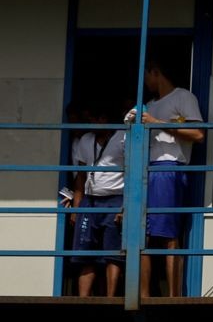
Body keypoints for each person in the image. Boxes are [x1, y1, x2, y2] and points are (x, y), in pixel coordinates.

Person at [131, 55, 205, 297]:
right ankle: (143, 294)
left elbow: (197, 134)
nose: (145, 81)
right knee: (143, 235)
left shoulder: (183, 96)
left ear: (155, 72)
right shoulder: (149, 105)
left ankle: (174, 296)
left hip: (168, 168)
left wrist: (156, 122)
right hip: (146, 170)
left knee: (168, 234)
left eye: (146, 75)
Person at [70, 100, 126, 297]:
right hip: (90, 200)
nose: (90, 123)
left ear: (104, 119)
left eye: (93, 119)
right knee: (85, 254)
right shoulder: (86, 139)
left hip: (116, 199)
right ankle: (82, 300)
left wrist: (125, 207)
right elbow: (81, 176)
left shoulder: (123, 138)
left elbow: (135, 174)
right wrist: (77, 206)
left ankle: (110, 299)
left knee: (113, 255)